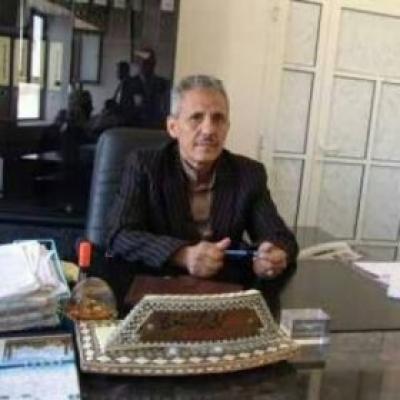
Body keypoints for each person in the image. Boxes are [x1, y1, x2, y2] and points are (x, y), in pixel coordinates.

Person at [106, 74, 298, 290]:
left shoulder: (248, 173)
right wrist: (183, 255)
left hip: (222, 290)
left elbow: (280, 237)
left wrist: (273, 255)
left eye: (218, 119)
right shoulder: (145, 166)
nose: (208, 130)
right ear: (173, 127)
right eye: (196, 117)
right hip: (158, 287)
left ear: (227, 127)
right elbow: (118, 235)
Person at [129, 47, 170, 128]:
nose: (147, 65)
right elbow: (125, 111)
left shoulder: (163, 84)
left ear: (154, 63)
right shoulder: (129, 84)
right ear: (138, 63)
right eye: (144, 62)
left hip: (157, 128)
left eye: (149, 62)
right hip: (134, 129)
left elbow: (166, 109)